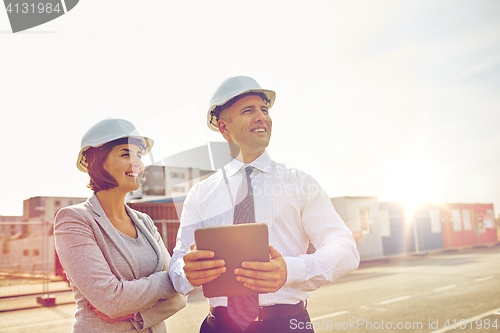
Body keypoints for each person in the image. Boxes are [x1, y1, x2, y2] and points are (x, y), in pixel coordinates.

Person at [169, 76, 360, 333]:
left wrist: (291, 270)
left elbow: (346, 249)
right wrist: (187, 272)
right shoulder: (200, 193)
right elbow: (178, 262)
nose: (262, 117)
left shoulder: (300, 184)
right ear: (224, 127)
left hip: (286, 325)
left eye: (264, 110)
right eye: (248, 111)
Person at [54, 118, 186, 333]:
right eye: (126, 154)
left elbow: (181, 296)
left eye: (139, 155)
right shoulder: (74, 220)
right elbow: (111, 301)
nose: (138, 163)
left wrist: (141, 314)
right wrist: (170, 280)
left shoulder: (145, 222)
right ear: (96, 162)